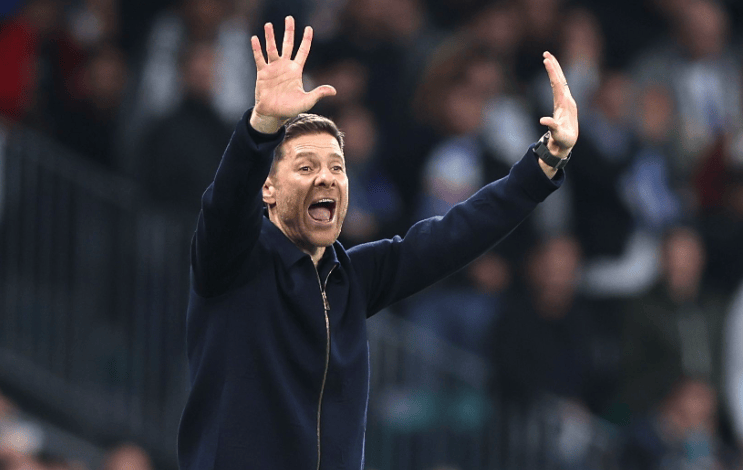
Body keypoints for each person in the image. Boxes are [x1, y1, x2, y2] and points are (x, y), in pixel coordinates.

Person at [177, 16, 578, 470]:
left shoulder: (352, 277)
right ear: (267, 189)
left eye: (337, 167)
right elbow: (225, 208)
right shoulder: (231, 264)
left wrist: (545, 162)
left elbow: (455, 234)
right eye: (306, 167)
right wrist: (261, 129)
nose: (327, 178)